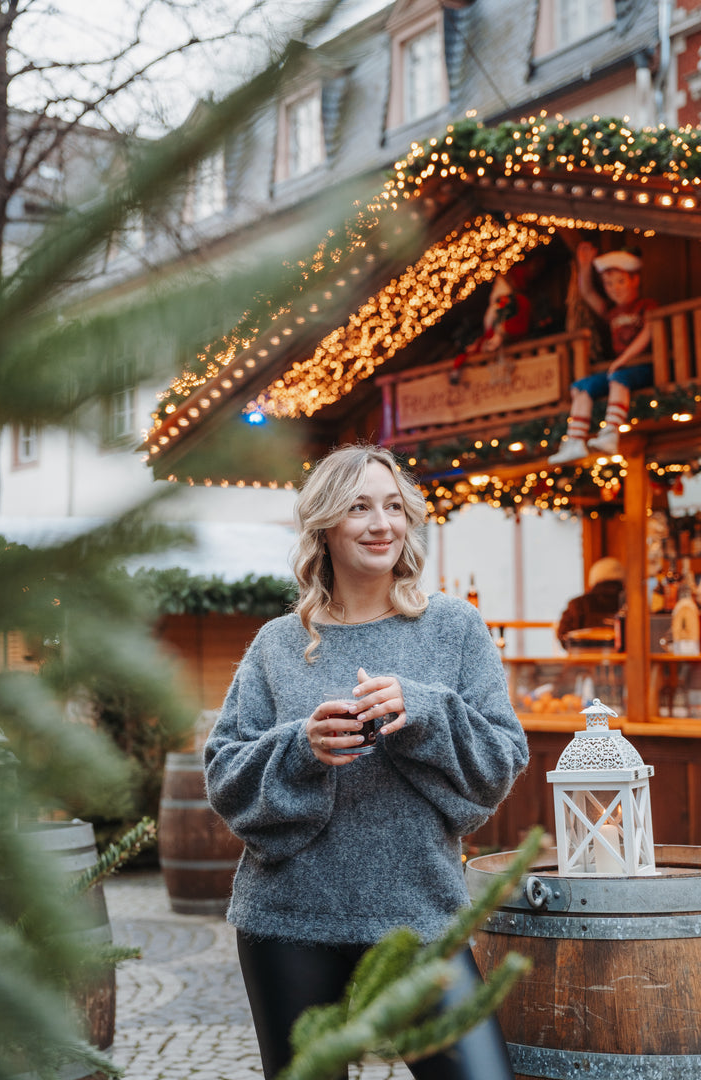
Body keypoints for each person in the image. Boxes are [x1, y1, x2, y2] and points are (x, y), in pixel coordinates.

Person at [203, 443, 529, 1080]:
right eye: (359, 507)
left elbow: (501, 759)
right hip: (289, 915)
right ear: (325, 525)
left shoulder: (454, 628)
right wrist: (303, 747)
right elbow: (224, 773)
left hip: (419, 913)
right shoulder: (277, 644)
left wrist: (426, 711)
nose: (381, 524)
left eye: (393, 506)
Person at [549, 243, 658, 464]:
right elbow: (587, 293)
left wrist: (622, 360)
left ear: (634, 280)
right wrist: (585, 266)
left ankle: (611, 432)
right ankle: (575, 439)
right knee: (581, 386)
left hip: (644, 366)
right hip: (619, 368)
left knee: (618, 378)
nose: (614, 288)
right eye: (608, 284)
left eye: (620, 282)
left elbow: (648, 333)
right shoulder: (611, 311)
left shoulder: (646, 305)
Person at [449, 266, 533, 383]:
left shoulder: (519, 302)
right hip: (493, 354)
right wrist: (478, 344)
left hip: (514, 355)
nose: (495, 287)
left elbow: (518, 326)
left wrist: (501, 334)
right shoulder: (495, 308)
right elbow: (489, 333)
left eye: (497, 285)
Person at [556, 556, 625, 647]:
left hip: (584, 659)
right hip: (624, 660)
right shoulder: (631, 603)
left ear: (593, 577)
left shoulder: (577, 604)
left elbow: (563, 636)